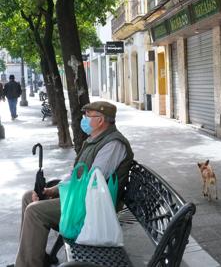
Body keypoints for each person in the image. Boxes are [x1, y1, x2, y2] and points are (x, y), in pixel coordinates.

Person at [11, 101, 134, 267]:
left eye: (88, 116)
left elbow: (92, 179)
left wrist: (61, 191)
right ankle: (33, 256)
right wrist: (53, 190)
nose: (84, 119)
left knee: (35, 211)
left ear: (100, 120)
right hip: (82, 199)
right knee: (29, 197)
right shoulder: (95, 139)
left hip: (93, 207)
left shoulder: (113, 144)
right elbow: (77, 174)